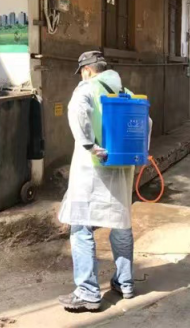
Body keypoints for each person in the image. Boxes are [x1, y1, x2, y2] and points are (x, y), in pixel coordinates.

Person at [58, 51, 152, 312]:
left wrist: (91, 145)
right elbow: (148, 122)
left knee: (81, 227)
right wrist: (139, 152)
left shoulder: (86, 89)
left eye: (82, 72)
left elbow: (77, 113)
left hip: (93, 169)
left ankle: (88, 292)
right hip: (122, 170)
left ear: (87, 70)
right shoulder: (127, 92)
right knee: (121, 225)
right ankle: (125, 283)